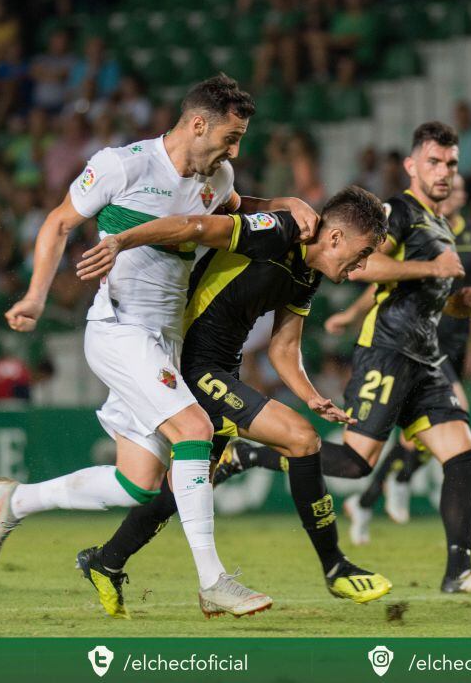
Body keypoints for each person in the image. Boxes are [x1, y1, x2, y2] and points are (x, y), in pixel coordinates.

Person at [0, 74, 318, 619]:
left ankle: (16, 501)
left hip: (163, 341)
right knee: (196, 431)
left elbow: (235, 206)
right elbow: (59, 222)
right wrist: (36, 295)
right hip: (119, 328)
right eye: (230, 137)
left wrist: (285, 201)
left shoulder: (218, 175)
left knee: (135, 485)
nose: (235, 150)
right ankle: (213, 581)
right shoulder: (124, 164)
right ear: (197, 123)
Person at [213, 123, 471, 596]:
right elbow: (365, 267)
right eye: (434, 162)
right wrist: (431, 269)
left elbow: (415, 286)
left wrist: (454, 301)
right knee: (356, 463)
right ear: (412, 165)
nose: (443, 172)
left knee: (462, 453)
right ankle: (250, 452)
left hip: (426, 354)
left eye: (451, 164)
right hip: (387, 349)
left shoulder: (440, 223)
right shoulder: (397, 212)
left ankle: (459, 572)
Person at [71, 186, 392, 617]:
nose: (363, 266)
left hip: (222, 368)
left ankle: (105, 562)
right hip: (190, 362)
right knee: (301, 439)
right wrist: (121, 240)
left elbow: (284, 348)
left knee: (182, 487)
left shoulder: (308, 274)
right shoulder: (277, 232)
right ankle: (335, 566)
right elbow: (197, 226)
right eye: (364, 251)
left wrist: (311, 396)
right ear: (336, 238)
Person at [322, 173, 471, 540]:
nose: (451, 192)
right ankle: (399, 478)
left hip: (451, 341)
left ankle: (370, 498)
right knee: (451, 421)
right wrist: (352, 315)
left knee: (418, 438)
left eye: (459, 188)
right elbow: (384, 281)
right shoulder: (418, 231)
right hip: (416, 345)